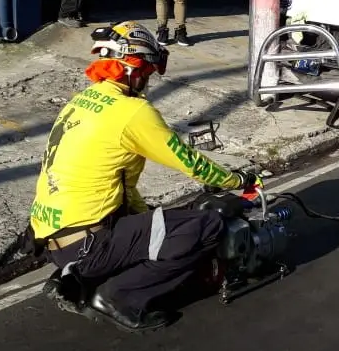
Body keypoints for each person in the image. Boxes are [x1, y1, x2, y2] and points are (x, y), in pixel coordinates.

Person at [23, 21, 257, 332]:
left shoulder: (82, 101)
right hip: (88, 242)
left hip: (54, 239)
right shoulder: (132, 112)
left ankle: (75, 277)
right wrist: (238, 180)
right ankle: (118, 297)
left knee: (153, 223)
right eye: (146, 71)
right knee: (205, 225)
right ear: (131, 68)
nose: (147, 80)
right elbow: (188, 161)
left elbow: (122, 184)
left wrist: (144, 216)